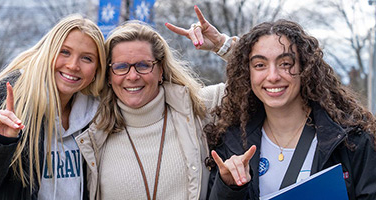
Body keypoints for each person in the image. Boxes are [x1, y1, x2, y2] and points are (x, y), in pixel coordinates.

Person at [182, 15, 376, 199]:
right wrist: (229, 188)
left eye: (285, 63)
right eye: (260, 65)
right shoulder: (232, 142)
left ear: (305, 68)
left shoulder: (350, 140)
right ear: (247, 73)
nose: (273, 76)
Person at [0, 14, 107, 200]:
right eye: (64, 52)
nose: (73, 65)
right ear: (48, 52)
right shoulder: (9, 99)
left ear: (98, 69)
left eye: (87, 58)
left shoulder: (98, 116)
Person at [74, 19, 228, 199]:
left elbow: (257, 81)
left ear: (160, 70)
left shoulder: (199, 107)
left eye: (143, 65)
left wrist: (221, 44)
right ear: (109, 75)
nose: (132, 76)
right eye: (121, 67)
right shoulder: (92, 130)